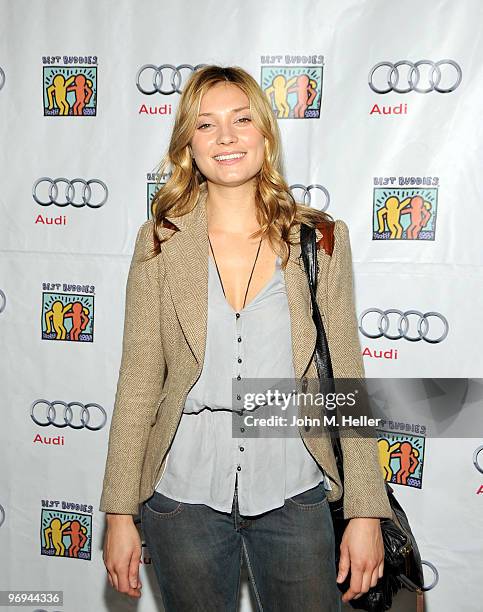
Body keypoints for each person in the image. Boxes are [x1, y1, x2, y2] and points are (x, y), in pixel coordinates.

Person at [100, 65, 393, 611]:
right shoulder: (160, 241)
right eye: (207, 125)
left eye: (241, 119)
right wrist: (119, 512)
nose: (227, 137)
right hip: (181, 497)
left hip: (293, 489)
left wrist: (366, 511)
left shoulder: (319, 239)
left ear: (265, 133)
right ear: (189, 142)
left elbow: (344, 379)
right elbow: (139, 378)